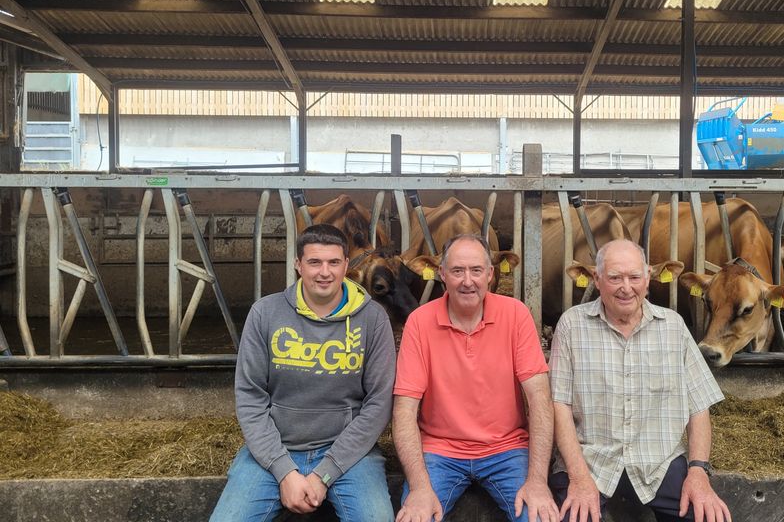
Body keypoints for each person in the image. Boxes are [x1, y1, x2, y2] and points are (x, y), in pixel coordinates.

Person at [210, 223, 396, 522]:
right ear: (298, 265)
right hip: (274, 451)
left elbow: (379, 403)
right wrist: (284, 471)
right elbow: (250, 397)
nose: (325, 272)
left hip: (348, 453)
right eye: (314, 262)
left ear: (346, 265)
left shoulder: (373, 319)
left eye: (334, 262)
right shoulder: (265, 313)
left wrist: (324, 474)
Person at [549, 239, 731, 522]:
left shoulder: (673, 326)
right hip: (591, 460)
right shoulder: (572, 325)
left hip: (659, 462)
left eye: (634, 277)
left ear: (648, 278)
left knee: (706, 517)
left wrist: (698, 471)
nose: (626, 287)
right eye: (615, 278)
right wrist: (578, 476)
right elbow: (559, 405)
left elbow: (699, 407)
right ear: (597, 279)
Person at [393, 234, 560, 522]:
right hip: (438, 451)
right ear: (442, 274)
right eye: (457, 271)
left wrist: (537, 480)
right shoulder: (419, 322)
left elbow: (540, 400)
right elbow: (404, 410)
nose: (467, 281)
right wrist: (419, 487)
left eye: (476, 270)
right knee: (417, 517)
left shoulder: (516, 314)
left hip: (507, 450)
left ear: (491, 274)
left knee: (540, 517)